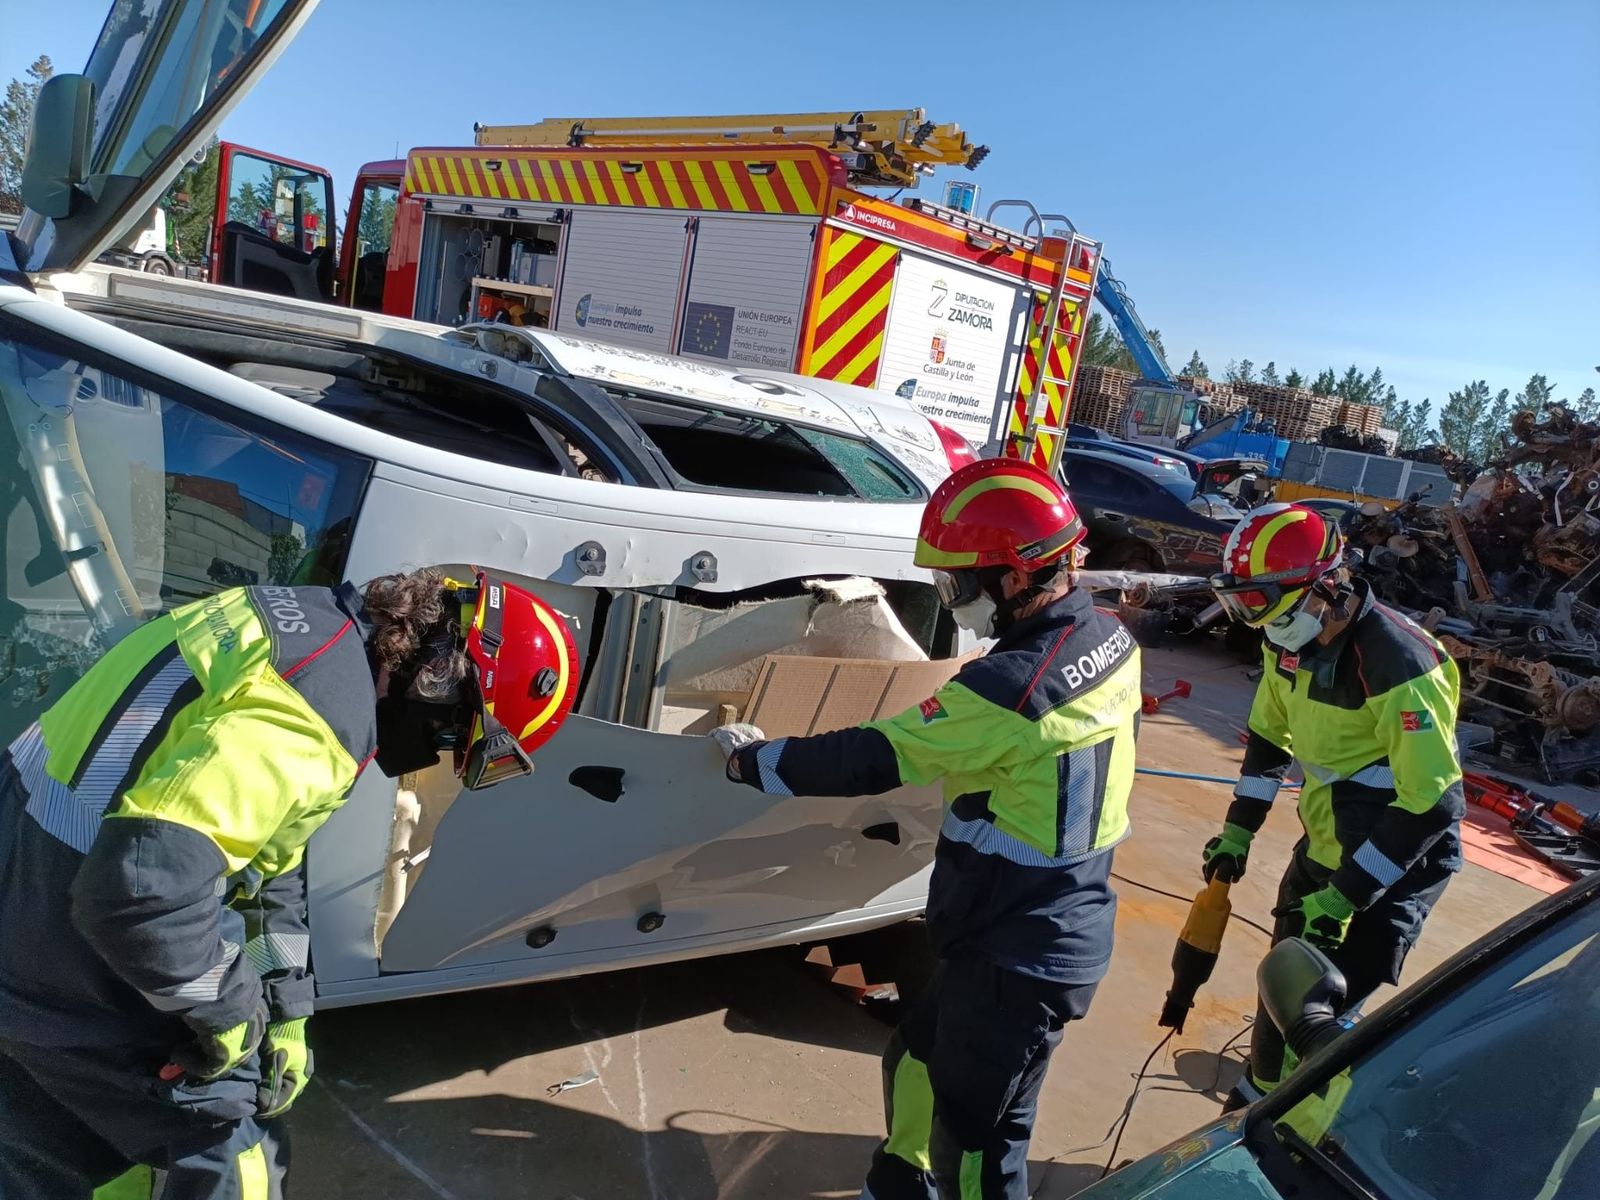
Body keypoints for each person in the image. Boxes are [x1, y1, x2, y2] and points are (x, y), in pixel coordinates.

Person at [0, 569, 577, 1199]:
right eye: (450, 737)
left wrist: (286, 1007)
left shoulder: (299, 624)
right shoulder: (318, 714)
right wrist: (231, 1016)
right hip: (69, 946)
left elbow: (267, 863)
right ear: (440, 682)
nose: (434, 753)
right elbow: (142, 893)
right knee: (238, 1154)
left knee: (45, 1146)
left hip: (26, 893)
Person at [711, 457, 1142, 1200]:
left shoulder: (1009, 689)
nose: (954, 600)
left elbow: (873, 757)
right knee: (914, 1056)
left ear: (1017, 577)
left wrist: (757, 761)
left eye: (959, 584)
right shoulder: (1107, 639)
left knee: (978, 1145)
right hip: (1018, 930)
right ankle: (900, 1181)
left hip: (1024, 953)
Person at [1204, 503, 1464, 1107]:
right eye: (1243, 604)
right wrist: (1238, 832)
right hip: (1325, 845)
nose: (1256, 621)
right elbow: (1271, 739)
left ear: (1326, 586)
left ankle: (1290, 1145)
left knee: (1318, 1031)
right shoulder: (1285, 640)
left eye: (1262, 601)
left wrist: (1348, 892)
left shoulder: (1399, 661)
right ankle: (1251, 1110)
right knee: (1278, 1003)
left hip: (1391, 869)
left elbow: (1434, 802)